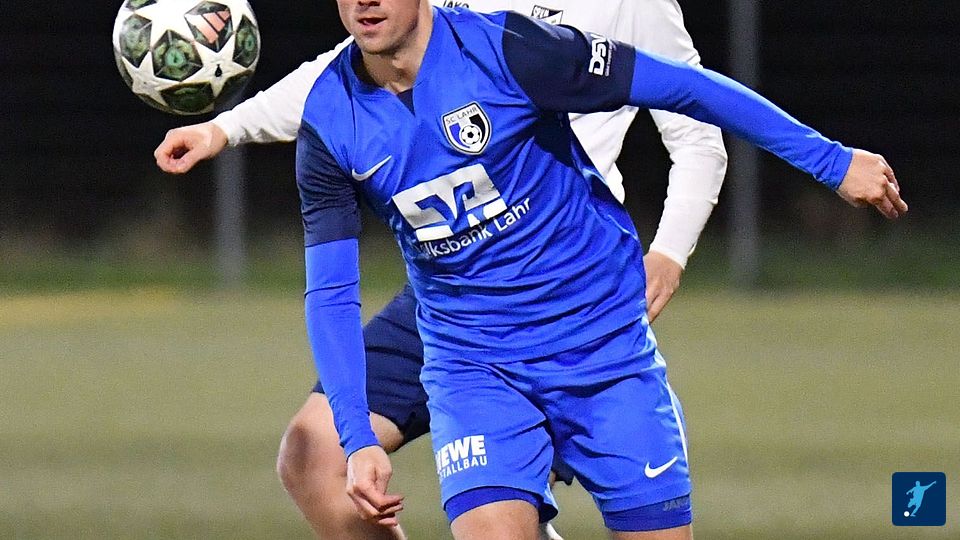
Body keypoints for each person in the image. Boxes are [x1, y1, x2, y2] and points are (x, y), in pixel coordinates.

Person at [290, 0, 906, 538]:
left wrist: (830, 161)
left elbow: (685, 87)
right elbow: (332, 293)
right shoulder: (330, 119)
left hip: (601, 349)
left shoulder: (513, 50)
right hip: (475, 366)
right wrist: (358, 439)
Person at [154, 1, 729, 538]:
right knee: (313, 455)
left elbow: (697, 133)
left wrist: (669, 252)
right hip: (450, 291)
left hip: (560, 281)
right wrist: (224, 129)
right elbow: (347, 68)